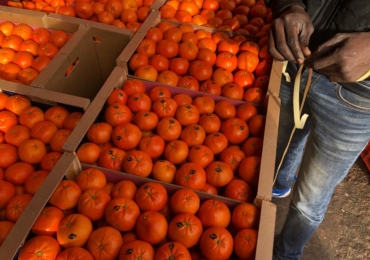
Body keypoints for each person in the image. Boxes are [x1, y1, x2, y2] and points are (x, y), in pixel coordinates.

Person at [264, 0, 370, 259]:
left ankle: (286, 253)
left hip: (358, 93)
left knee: (311, 197)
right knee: (279, 145)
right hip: (292, 57)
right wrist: (289, 5)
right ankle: (280, 183)